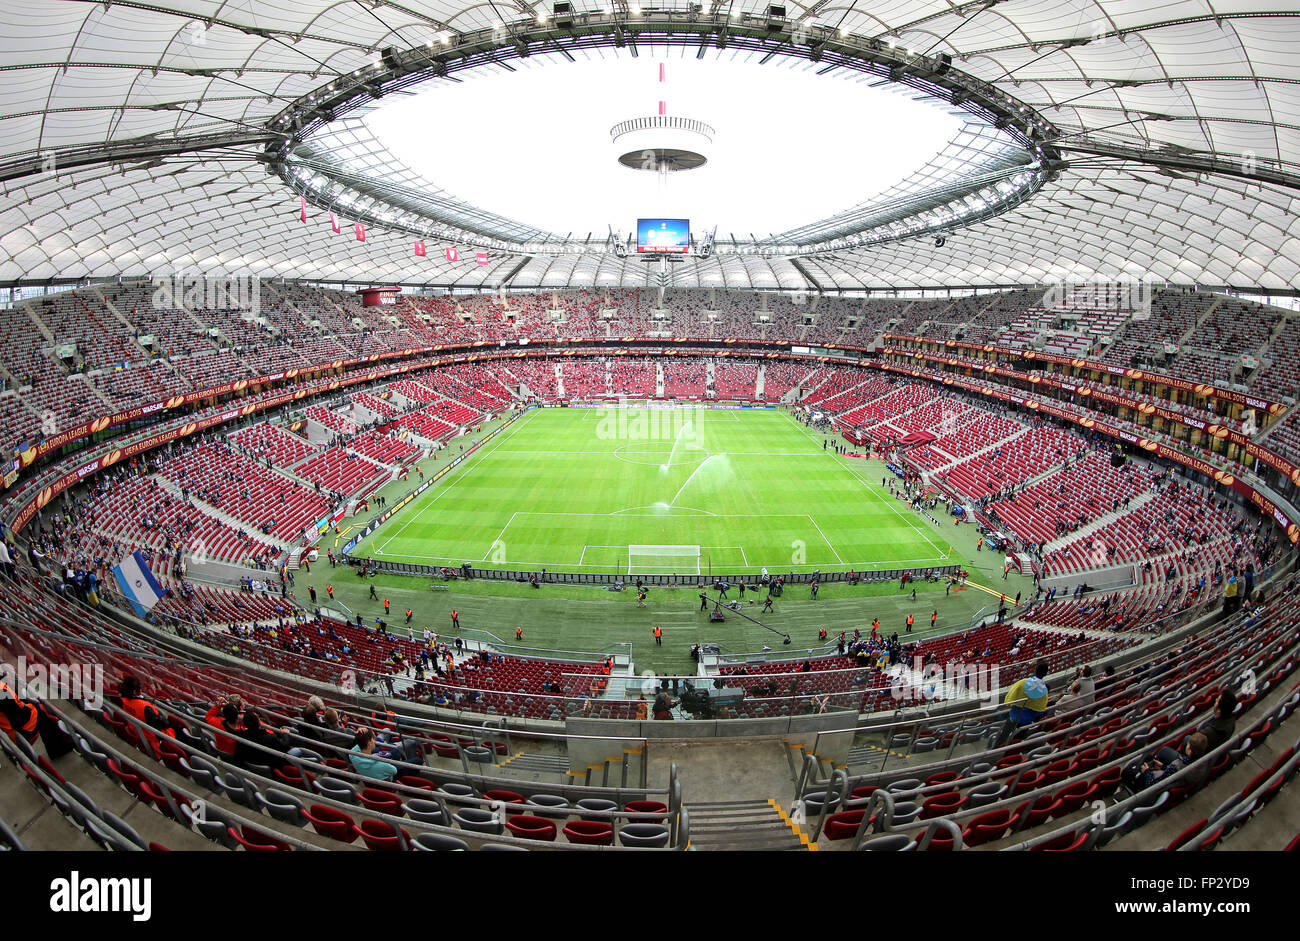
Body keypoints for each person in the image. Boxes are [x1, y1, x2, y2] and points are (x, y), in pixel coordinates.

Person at [995, 659, 1050, 747]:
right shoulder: (1045, 690)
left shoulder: (1022, 683)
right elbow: (1041, 708)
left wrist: (1011, 706)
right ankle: (1012, 751)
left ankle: (996, 749)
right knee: (1017, 739)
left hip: (1014, 717)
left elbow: (1009, 699)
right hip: (1028, 720)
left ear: (1035, 671)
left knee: (1003, 735)